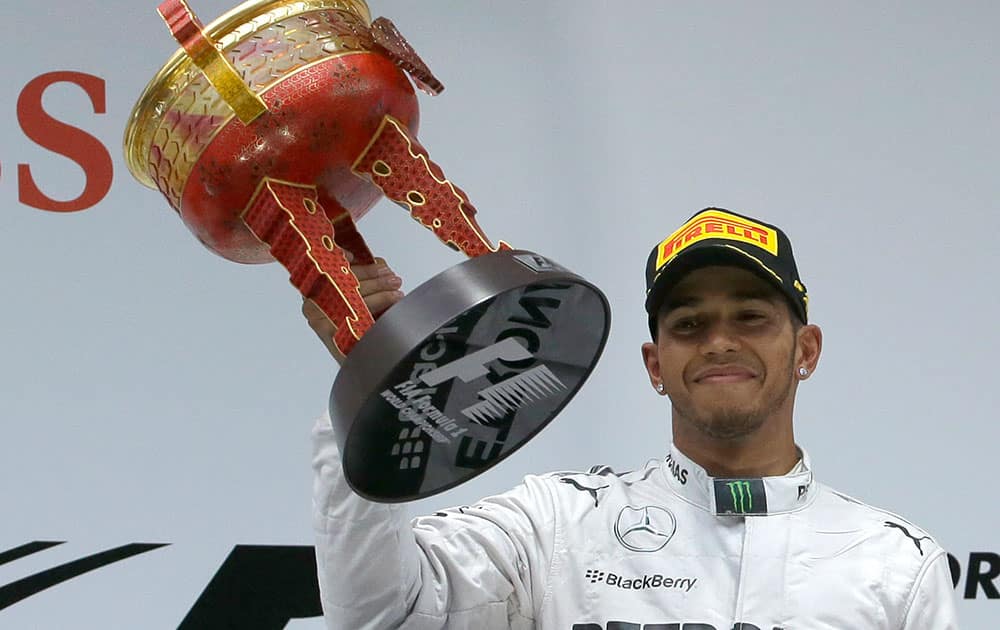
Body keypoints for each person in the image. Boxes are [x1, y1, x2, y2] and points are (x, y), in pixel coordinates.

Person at [306, 207, 959, 629]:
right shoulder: (556, 523)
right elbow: (380, 614)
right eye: (689, 323)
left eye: (752, 317)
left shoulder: (894, 565)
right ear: (654, 363)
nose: (720, 341)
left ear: (805, 350)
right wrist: (377, 384)